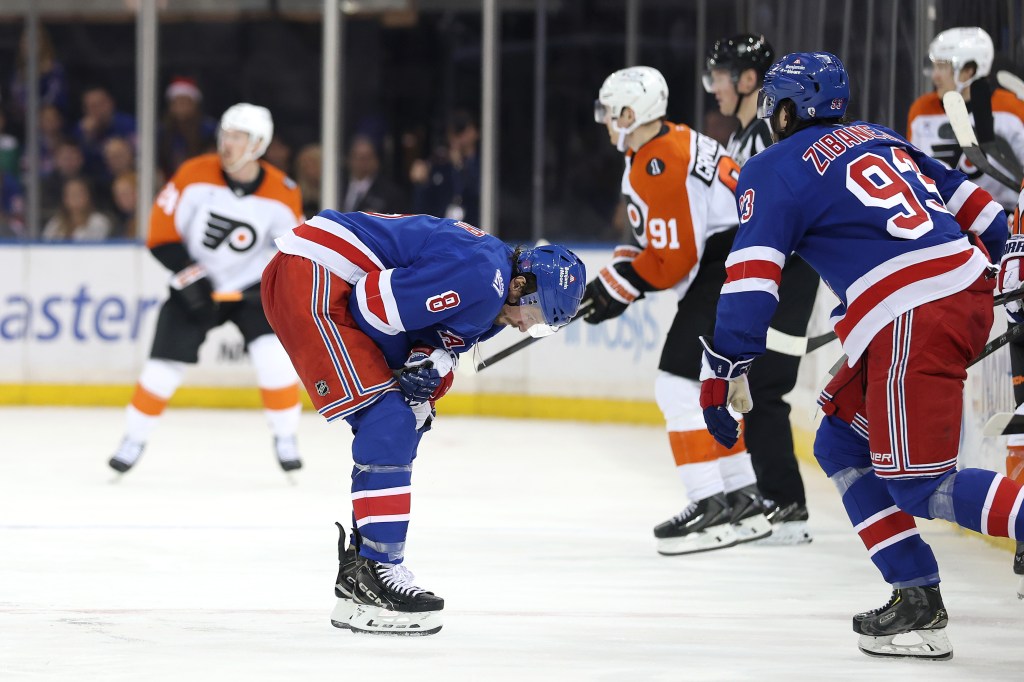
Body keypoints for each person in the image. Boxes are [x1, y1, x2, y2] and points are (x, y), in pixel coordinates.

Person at [699, 51, 1015, 661]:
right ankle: (916, 598)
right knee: (840, 442)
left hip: (914, 311)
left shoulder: (773, 167)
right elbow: (966, 197)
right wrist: (1008, 248)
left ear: (786, 109)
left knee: (920, 484)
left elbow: (752, 279)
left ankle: (921, 604)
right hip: (954, 293)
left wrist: (723, 368)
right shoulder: (880, 136)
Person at [261, 211, 585, 635]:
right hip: (314, 274)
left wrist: (427, 365)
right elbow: (371, 307)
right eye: (536, 314)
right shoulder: (481, 276)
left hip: (318, 274)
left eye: (540, 327)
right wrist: (408, 365)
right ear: (521, 285)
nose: (528, 326)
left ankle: (361, 577)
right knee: (390, 420)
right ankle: (377, 572)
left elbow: (432, 340)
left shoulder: (495, 288)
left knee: (403, 421)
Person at [584, 65, 770, 556]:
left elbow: (674, 261)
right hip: (744, 260)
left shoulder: (657, 160)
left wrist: (621, 285)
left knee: (676, 383)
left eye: (609, 110)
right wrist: (621, 279)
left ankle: (707, 505)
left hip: (725, 266)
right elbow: (665, 246)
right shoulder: (675, 140)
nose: (604, 119)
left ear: (631, 112)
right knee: (711, 382)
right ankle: (743, 498)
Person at [108, 103, 305, 475]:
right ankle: (133, 438)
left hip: (249, 292)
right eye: (225, 134)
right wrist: (189, 274)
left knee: (274, 360)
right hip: (194, 282)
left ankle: (285, 436)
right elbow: (161, 234)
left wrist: (273, 286)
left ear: (258, 143)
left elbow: (291, 250)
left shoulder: (284, 191)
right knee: (162, 368)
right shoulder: (193, 174)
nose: (226, 143)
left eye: (237, 136)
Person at [704, 33, 819, 543]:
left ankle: (785, 502)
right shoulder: (741, 138)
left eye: (721, 75)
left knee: (765, 388)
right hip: (769, 274)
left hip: (786, 274)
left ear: (748, 79)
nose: (714, 87)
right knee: (756, 386)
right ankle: (775, 495)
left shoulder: (769, 138)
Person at [908, 27, 1024, 212]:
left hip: (1004, 221)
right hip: (942, 221)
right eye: (934, 66)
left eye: (943, 67)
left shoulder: (1012, 109)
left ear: (969, 71)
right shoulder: (921, 111)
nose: (935, 75)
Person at [410, 111, 480, 224]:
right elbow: (421, 208)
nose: (459, 136)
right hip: (442, 229)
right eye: (455, 131)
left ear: (475, 132)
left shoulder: (485, 165)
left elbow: (477, 194)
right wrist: (421, 183)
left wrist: (460, 167)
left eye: (463, 130)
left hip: (475, 228)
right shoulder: (439, 163)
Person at [158, 77, 217, 179]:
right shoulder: (163, 131)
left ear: (194, 104)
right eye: (176, 102)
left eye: (184, 102)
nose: (181, 107)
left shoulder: (208, 130)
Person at [75, 85, 137, 178]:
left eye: (101, 104)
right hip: (97, 182)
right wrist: (88, 138)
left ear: (111, 103)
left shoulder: (128, 124)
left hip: (128, 177)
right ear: (85, 110)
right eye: (93, 106)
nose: (98, 110)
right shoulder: (81, 131)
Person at [341, 135, 406, 213]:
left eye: (367, 158)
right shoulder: (337, 187)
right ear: (349, 160)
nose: (363, 163)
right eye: (359, 158)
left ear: (376, 161)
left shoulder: (391, 194)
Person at [40, 177, 111, 241]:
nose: (75, 198)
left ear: (88, 197)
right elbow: (45, 245)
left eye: (79, 194)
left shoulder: (98, 221)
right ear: (65, 199)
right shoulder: (55, 223)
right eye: (71, 194)